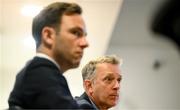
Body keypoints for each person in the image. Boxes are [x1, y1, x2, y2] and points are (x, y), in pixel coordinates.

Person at [8, 2, 89, 109]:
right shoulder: (40, 73)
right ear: (48, 36)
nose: (85, 43)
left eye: (84, 35)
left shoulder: (41, 72)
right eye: (76, 33)